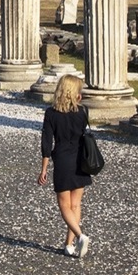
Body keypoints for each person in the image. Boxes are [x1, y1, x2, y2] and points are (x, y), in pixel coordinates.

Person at [37, 74, 92, 258]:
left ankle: (79, 236)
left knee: (64, 205)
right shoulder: (83, 112)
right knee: (75, 205)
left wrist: (44, 168)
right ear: (74, 93)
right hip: (80, 160)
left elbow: (47, 143)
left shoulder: (51, 114)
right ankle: (69, 245)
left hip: (62, 160)